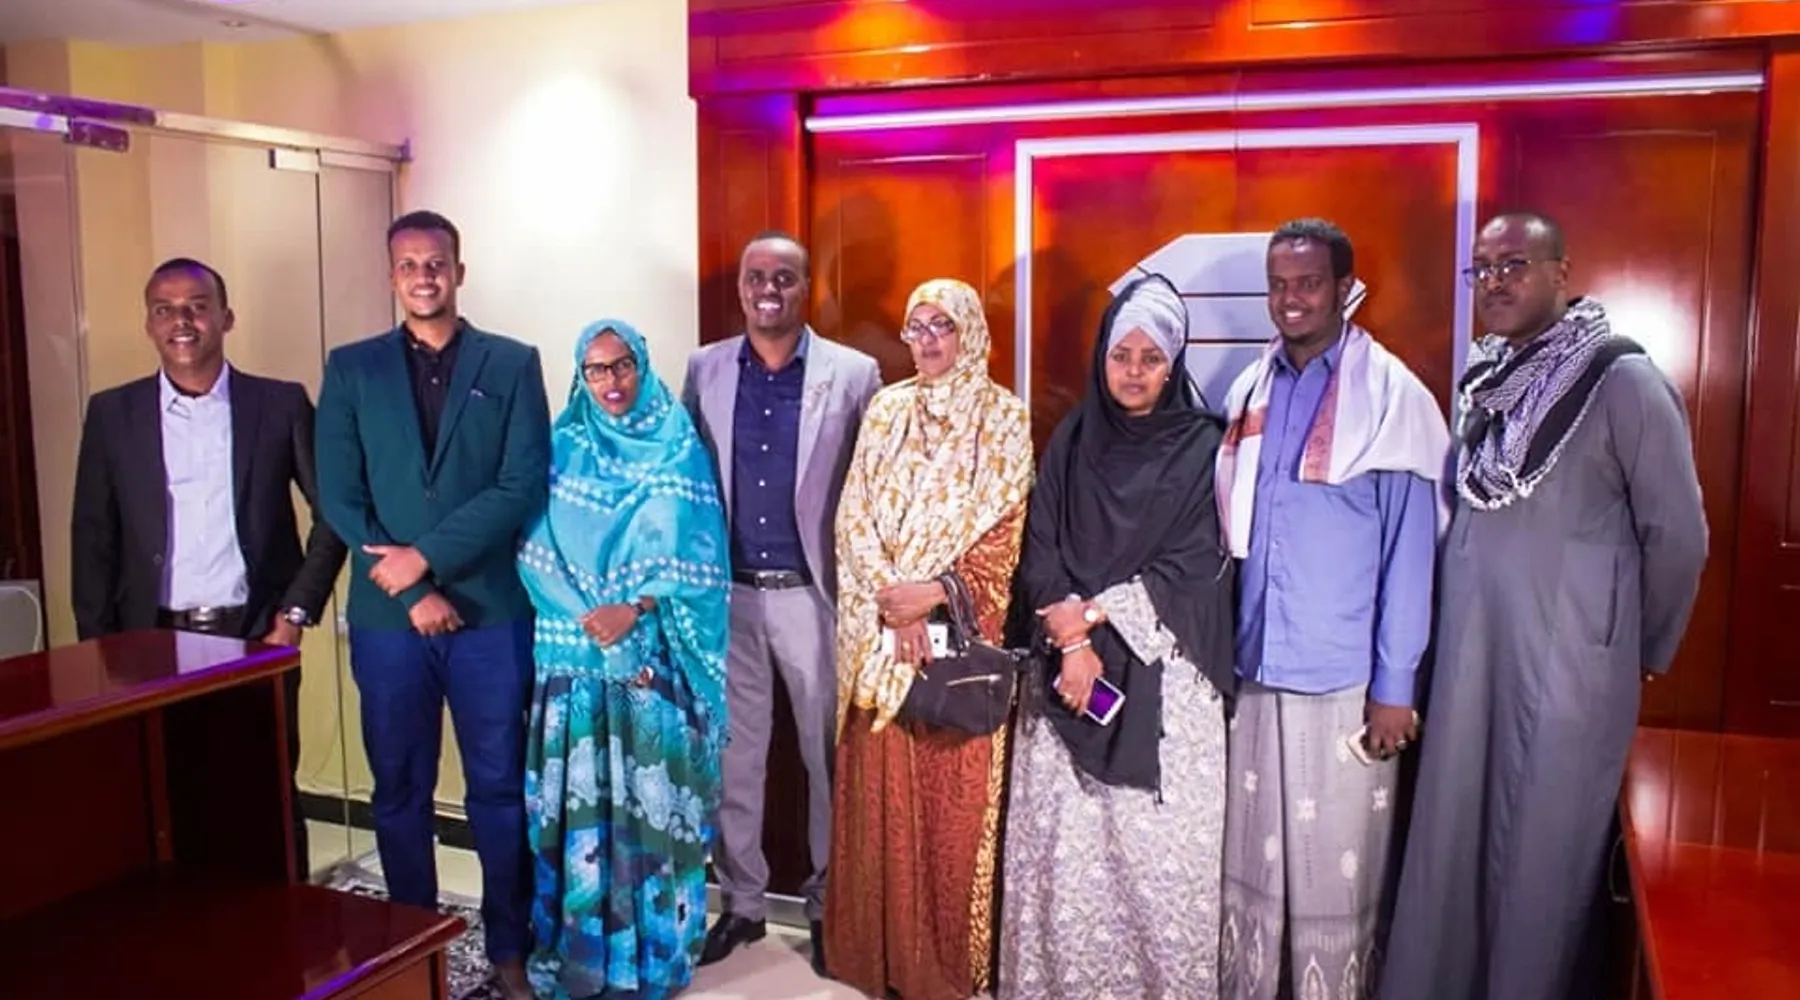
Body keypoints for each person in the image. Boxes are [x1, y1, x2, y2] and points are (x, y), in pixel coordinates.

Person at [1379, 212, 1708, 1000]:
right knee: (1453, 844)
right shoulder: (1488, 381)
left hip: (1566, 677)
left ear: (1562, 272)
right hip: (1471, 663)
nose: (1494, 282)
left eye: (1514, 264)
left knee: (1538, 861)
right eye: (1483, 268)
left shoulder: (1622, 380)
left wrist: (1635, 648)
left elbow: (1679, 537)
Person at [314, 210, 551, 1000]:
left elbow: (522, 485)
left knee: (499, 791)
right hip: (389, 622)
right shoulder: (351, 368)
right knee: (400, 792)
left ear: (459, 271)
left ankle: (510, 949)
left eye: (437, 262)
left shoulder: (512, 363)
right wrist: (413, 586)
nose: (424, 276)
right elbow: (339, 494)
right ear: (392, 276)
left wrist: (428, 558)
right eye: (409, 264)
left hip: (490, 614)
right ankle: (414, 953)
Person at [1215, 219, 1450, 1000]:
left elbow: (1411, 557)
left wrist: (1395, 689)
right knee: (1254, 871)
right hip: (1256, 669)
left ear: (1345, 288)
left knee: (1335, 879)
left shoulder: (1391, 399)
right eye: (1279, 284)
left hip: (1347, 683)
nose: (1291, 299)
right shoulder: (1251, 390)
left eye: (1309, 283)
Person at [998, 274, 1236, 998]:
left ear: (1173, 364)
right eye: (1121, 355)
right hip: (1070, 678)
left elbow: (1198, 565)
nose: (1133, 372)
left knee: (1155, 868)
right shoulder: (1073, 439)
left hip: (1165, 678)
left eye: (1151, 358)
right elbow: (1041, 549)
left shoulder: (1204, 448)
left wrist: (1094, 616)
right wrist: (1073, 643)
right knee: (1067, 861)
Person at [70, 256, 347, 878]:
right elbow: (92, 537)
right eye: (165, 310)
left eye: (197, 307)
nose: (183, 321)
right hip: (149, 640)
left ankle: (282, 920)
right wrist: (98, 649)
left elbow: (333, 517)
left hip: (253, 634)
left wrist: (295, 613)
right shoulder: (113, 413)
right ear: (149, 324)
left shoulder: (279, 404)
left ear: (226, 317)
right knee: (166, 800)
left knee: (266, 794)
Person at [823, 278, 1033, 1000]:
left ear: (969, 330)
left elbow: (1004, 541)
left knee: (948, 808)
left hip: (955, 642)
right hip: (884, 633)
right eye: (917, 327)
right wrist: (897, 605)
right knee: (881, 793)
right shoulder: (886, 409)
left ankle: (939, 965)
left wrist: (936, 595)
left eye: (944, 325)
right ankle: (876, 956)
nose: (930, 340)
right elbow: (853, 519)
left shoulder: (1003, 418)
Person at [681, 231, 881, 971]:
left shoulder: (854, 373)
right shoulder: (705, 367)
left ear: (807, 288)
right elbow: (686, 478)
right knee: (735, 759)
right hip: (730, 597)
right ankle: (742, 904)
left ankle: (831, 909)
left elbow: (875, 486)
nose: (768, 289)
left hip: (815, 598)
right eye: (755, 277)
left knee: (829, 762)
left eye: (784, 278)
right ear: (740, 287)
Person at [518, 320, 732, 1000]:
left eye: (621, 366)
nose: (610, 381)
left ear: (642, 364)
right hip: (575, 664)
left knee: (648, 810)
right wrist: (598, 623)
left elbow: (700, 561)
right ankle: (581, 956)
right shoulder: (560, 447)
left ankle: (654, 956)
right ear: (579, 376)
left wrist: (633, 614)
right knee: (578, 814)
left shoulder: (677, 444)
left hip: (649, 666)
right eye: (595, 369)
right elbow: (534, 550)